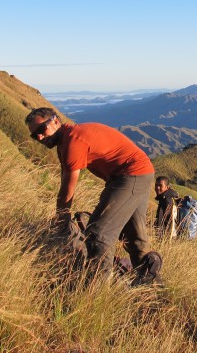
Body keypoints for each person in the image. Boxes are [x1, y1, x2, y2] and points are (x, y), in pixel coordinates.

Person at [25, 107, 162, 285]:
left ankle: (97, 289)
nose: (40, 137)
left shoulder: (72, 140)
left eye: (42, 130)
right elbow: (65, 179)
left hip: (130, 174)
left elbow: (68, 186)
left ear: (56, 121)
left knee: (99, 233)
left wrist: (62, 217)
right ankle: (150, 285)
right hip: (139, 172)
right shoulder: (67, 141)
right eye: (35, 135)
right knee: (134, 236)